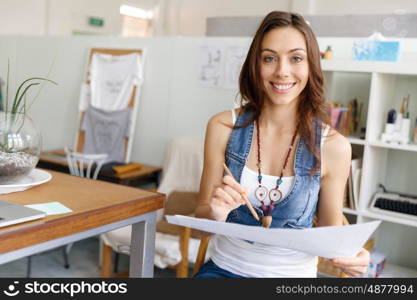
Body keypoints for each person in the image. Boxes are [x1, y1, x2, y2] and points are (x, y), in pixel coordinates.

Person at [194, 11, 370, 278]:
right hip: (224, 270)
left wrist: (354, 255)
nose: (282, 71)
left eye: (296, 58)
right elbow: (199, 227)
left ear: (311, 65)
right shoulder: (222, 127)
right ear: (256, 64)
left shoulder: (334, 147)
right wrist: (215, 214)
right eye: (269, 58)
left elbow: (332, 240)